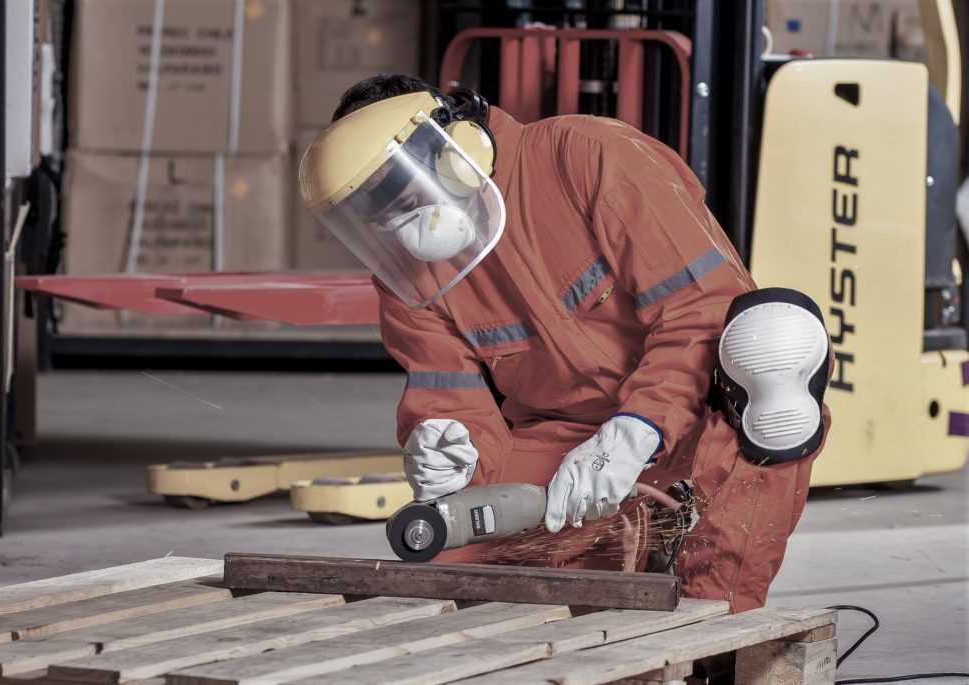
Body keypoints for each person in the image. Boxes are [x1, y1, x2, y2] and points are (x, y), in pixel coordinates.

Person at [299, 73, 832, 615]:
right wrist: (443, 443)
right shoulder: (409, 276)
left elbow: (702, 311)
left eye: (399, 188)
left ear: (456, 146)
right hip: (568, 442)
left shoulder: (592, 156)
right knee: (448, 556)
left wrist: (637, 428)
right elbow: (446, 392)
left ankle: (714, 623)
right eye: (374, 209)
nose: (398, 221)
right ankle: (643, 538)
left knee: (774, 349)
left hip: (694, 411)